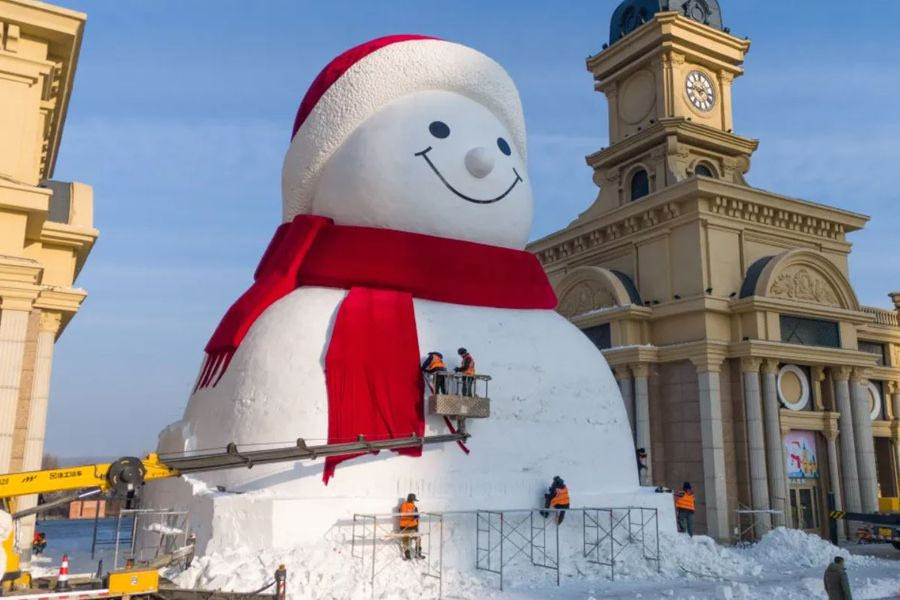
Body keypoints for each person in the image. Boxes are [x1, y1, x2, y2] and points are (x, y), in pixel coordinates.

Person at [399, 493, 424, 560]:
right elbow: (416, 517)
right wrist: (417, 528)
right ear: (412, 500)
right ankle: (418, 553)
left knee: (405, 539)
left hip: (402, 528)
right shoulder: (414, 507)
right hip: (412, 527)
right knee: (418, 538)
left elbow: (399, 513)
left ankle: (407, 553)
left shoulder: (402, 506)